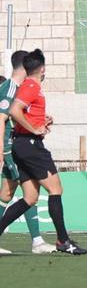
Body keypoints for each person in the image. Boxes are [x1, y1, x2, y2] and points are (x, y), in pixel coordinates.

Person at [0, 49, 87, 254]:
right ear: (42, 69)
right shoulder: (31, 86)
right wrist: (34, 129)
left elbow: (22, 113)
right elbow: (14, 111)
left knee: (29, 197)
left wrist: (41, 122)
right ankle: (63, 241)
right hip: (30, 146)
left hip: (22, 144)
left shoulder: (28, 87)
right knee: (56, 190)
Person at [0, 50, 50, 255]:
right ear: (24, 67)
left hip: (14, 147)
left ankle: (37, 241)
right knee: (30, 192)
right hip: (10, 149)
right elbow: (1, 119)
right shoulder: (9, 88)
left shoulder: (20, 88)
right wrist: (1, 152)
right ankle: (37, 241)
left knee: (7, 193)